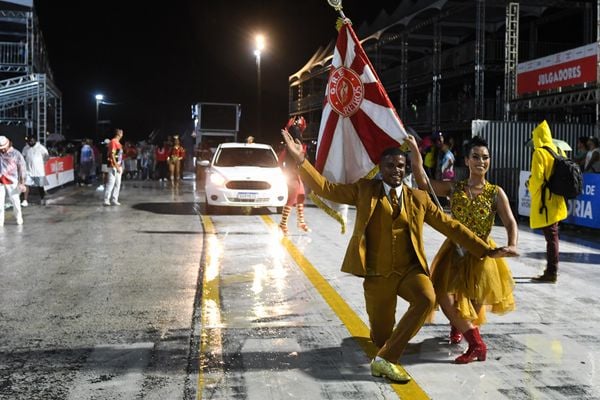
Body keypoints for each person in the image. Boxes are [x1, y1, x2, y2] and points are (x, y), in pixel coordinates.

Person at [280, 128, 516, 382]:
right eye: (390, 165)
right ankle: (385, 347)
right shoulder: (365, 191)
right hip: (377, 276)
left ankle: (386, 360)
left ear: (406, 169)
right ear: (381, 168)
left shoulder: (418, 198)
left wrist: (487, 250)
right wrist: (301, 160)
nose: (396, 170)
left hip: (409, 271)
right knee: (380, 338)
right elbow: (326, 188)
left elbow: (451, 227)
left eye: (401, 166)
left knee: (427, 297)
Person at [406, 135, 517, 363]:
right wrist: (415, 152)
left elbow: (510, 222)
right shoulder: (454, 188)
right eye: (475, 157)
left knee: (474, 303)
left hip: (482, 253)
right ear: (466, 161)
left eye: (485, 157)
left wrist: (512, 243)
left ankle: (462, 329)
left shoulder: (496, 192)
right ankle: (477, 344)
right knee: (444, 295)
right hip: (454, 251)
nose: (481, 161)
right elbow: (424, 183)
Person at [528, 120, 568, 283]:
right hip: (558, 199)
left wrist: (530, 186)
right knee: (553, 235)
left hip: (546, 201)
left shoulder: (540, 153)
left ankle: (551, 271)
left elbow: (537, 179)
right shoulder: (558, 150)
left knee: (551, 237)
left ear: (538, 137)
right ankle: (551, 269)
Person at [278, 116, 310, 235]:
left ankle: (300, 222)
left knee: (301, 196)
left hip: (296, 175)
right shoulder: (292, 147)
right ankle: (283, 224)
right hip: (292, 175)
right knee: (292, 199)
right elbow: (280, 162)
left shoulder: (298, 145)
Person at [0, 136, 27, 226]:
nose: (2, 150)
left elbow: (22, 169)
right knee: (0, 203)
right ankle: (0, 221)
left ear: (8, 145)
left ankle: (18, 217)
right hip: (0, 180)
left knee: (15, 201)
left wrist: (22, 183)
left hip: (12, 181)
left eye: (4, 148)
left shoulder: (16, 154)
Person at [21, 135, 49, 206]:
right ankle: (25, 200)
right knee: (26, 185)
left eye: (32, 141)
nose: (30, 142)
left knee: (40, 186)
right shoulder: (26, 148)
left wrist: (44, 161)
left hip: (38, 171)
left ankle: (42, 199)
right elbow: (23, 156)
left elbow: (46, 155)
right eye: (29, 141)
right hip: (28, 170)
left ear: (35, 141)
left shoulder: (41, 147)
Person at [103, 129, 124, 206]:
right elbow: (112, 155)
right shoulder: (113, 142)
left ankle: (115, 199)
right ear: (119, 133)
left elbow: (120, 156)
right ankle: (106, 200)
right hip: (113, 166)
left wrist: (121, 166)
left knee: (118, 184)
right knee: (111, 183)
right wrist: (116, 166)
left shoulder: (119, 143)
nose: (122, 135)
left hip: (119, 165)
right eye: (122, 133)